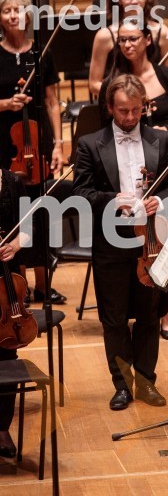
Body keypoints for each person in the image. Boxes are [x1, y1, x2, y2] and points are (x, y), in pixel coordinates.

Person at [73, 74, 168, 410]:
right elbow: (80, 193)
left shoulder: (163, 142)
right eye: (123, 111)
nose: (130, 118)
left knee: (150, 315)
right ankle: (122, 384)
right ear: (109, 108)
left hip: (150, 241)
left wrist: (160, 200)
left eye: (136, 110)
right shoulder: (90, 144)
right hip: (111, 241)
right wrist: (112, 199)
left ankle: (147, 382)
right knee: (115, 317)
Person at [99, 17, 168, 340]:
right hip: (117, 223)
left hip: (160, 166)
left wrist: (162, 133)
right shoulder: (111, 84)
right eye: (122, 40)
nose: (128, 45)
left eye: (134, 38)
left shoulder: (167, 76)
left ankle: (164, 315)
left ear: (147, 39)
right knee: (116, 313)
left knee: (150, 305)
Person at [0, 0, 67, 305]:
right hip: (5, 146)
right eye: (6, 10)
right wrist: (5, 104)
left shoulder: (42, 53)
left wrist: (59, 144)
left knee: (41, 214)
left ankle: (44, 286)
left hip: (38, 145)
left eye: (18, 10)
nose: (13, 16)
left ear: (28, 15)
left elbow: (53, 102)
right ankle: (20, 286)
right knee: (14, 215)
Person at [89, 0, 168, 99]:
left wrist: (152, 93)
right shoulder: (104, 36)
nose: (134, 1)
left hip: (155, 103)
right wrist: (126, 96)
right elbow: (94, 83)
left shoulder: (162, 32)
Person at [0, 168, 30, 459]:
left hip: (7, 280)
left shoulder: (12, 182)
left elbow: (28, 227)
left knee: (7, 351)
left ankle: (2, 427)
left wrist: (14, 245)